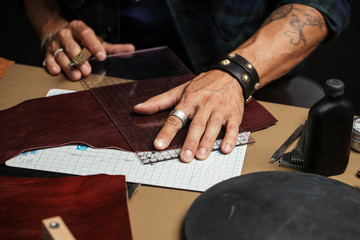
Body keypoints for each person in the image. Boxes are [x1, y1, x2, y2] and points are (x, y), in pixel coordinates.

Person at [24, 0, 350, 163]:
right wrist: (52, 26)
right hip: (99, 78)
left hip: (250, 81)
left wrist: (235, 73)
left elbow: (323, 5)